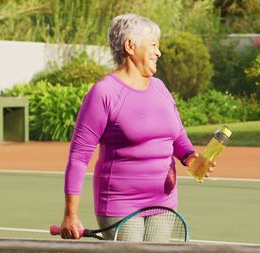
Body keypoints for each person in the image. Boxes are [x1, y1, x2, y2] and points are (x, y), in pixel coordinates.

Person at [59, 14, 210, 241]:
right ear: (130, 46)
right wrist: (71, 214)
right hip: (120, 204)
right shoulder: (104, 93)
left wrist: (191, 158)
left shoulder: (160, 88)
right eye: (153, 45)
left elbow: (177, 136)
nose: (158, 52)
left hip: (164, 203)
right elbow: (79, 157)